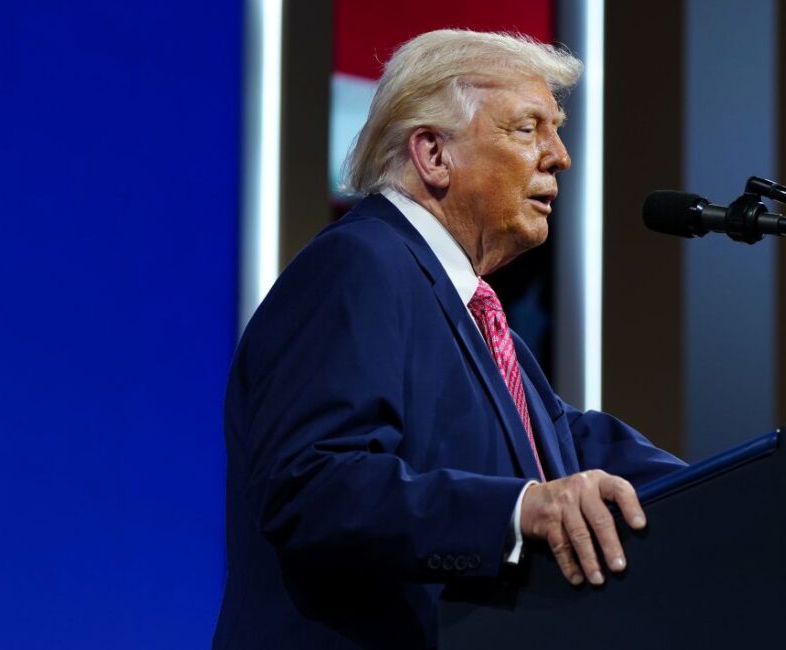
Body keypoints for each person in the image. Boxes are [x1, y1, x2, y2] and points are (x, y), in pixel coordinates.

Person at [212, 29, 686, 650]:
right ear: (434, 154)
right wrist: (519, 512)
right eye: (527, 129)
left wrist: (760, 483)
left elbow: (570, 444)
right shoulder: (359, 264)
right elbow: (314, 483)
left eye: (557, 128)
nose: (559, 155)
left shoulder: (479, 322)